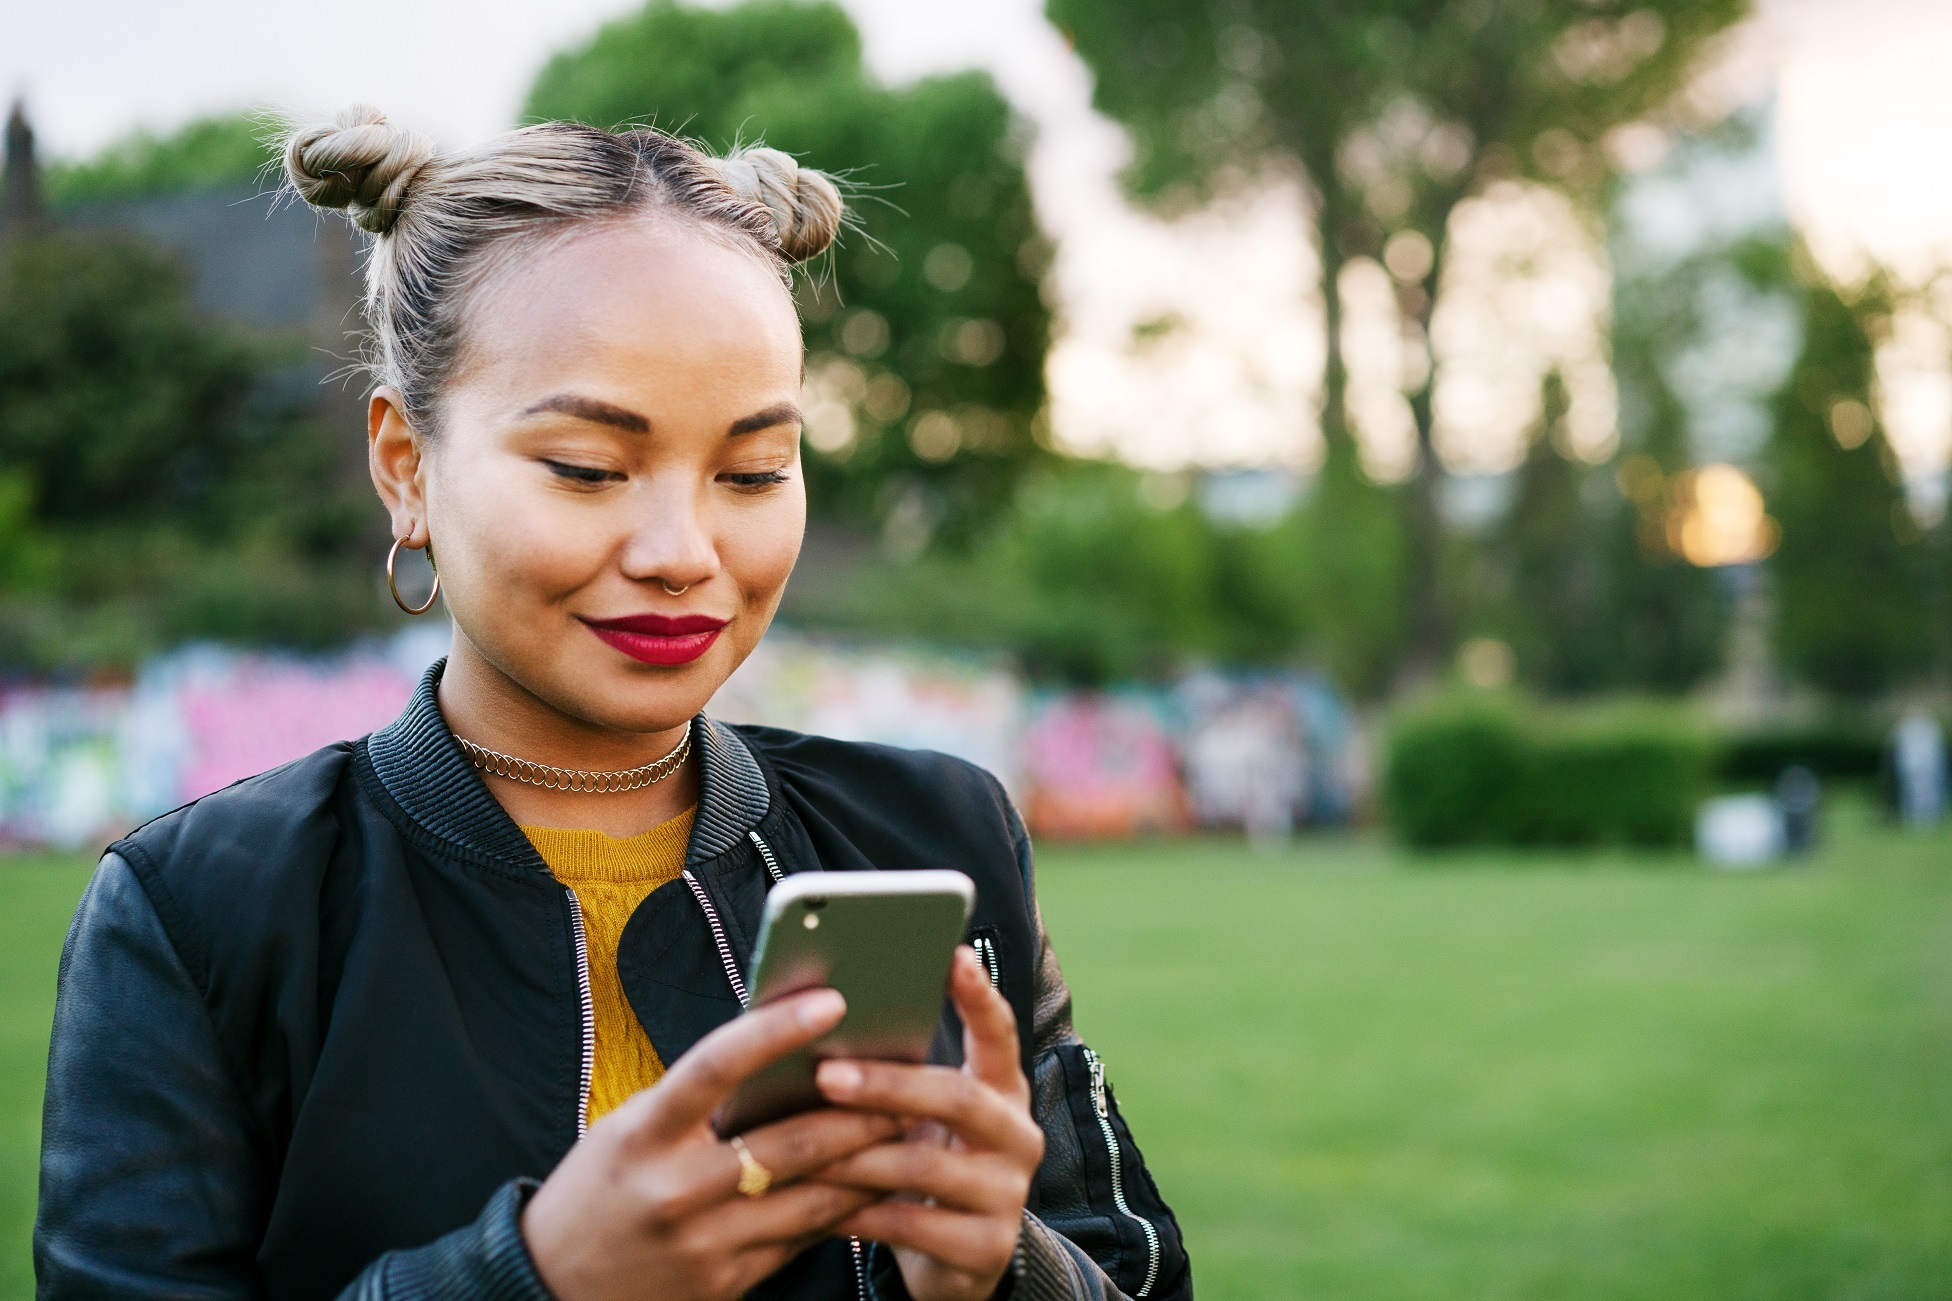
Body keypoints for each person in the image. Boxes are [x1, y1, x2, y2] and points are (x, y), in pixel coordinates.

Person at [33, 107, 1189, 1301]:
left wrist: (1003, 1266)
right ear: (404, 466)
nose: (682, 549)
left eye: (752, 470)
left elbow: (1129, 1272)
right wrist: (530, 1276)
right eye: (587, 468)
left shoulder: (935, 839)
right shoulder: (201, 912)